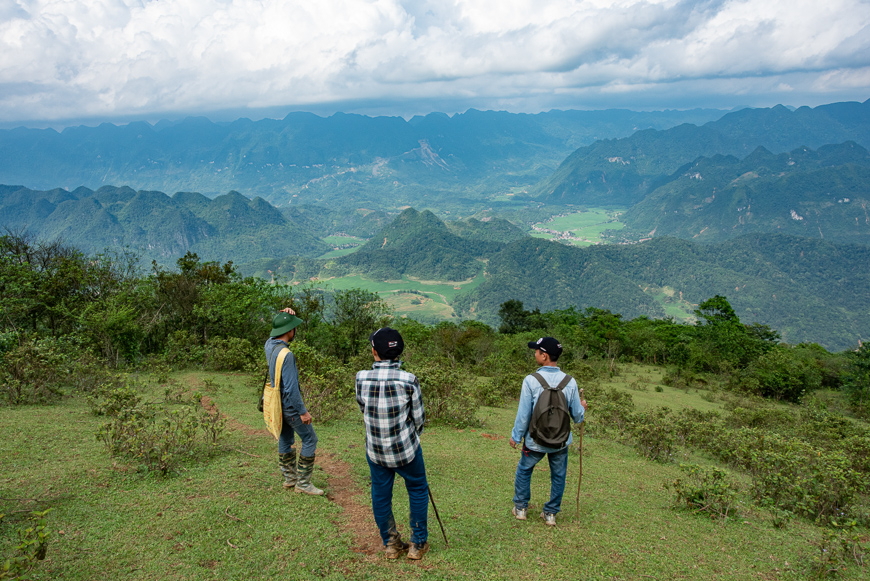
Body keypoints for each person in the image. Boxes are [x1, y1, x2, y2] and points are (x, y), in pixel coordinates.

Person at [355, 327, 430, 560]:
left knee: (380, 495)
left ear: (374, 351)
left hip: (375, 450)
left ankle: (391, 544)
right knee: (417, 489)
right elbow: (419, 418)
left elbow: (363, 408)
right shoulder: (409, 380)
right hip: (406, 449)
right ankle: (417, 544)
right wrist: (412, 436)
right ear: (399, 353)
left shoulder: (361, 377)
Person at [509, 336, 587, 526]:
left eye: (536, 351)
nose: (535, 354)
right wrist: (583, 407)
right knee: (558, 475)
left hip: (534, 439)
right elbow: (578, 416)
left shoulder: (531, 380)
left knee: (524, 470)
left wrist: (516, 436)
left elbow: (524, 414)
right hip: (561, 440)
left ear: (544, 356)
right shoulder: (570, 381)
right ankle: (551, 513)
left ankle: (521, 508)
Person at [264, 307, 323, 496]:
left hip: (277, 405)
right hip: (290, 406)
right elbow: (291, 389)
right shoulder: (287, 355)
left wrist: (284, 317)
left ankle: (290, 478)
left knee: (285, 437)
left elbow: (271, 336)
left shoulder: (269, 346)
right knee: (310, 439)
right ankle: (303, 483)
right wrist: (303, 412)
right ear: (290, 331)